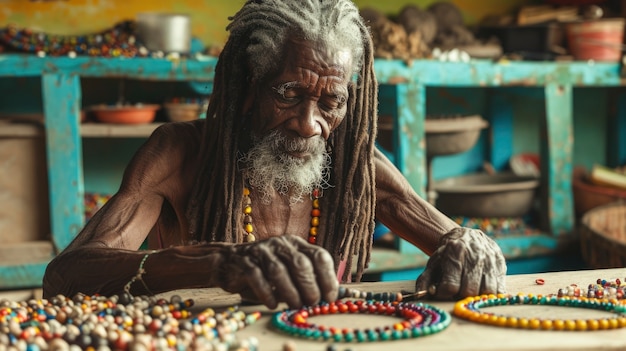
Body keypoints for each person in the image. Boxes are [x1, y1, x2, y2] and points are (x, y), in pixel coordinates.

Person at [43, 0, 507, 309]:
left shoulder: (353, 169)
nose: (310, 124)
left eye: (332, 103)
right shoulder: (178, 153)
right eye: (288, 93)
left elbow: (455, 238)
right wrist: (221, 263)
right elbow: (67, 274)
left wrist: (471, 244)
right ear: (247, 87)